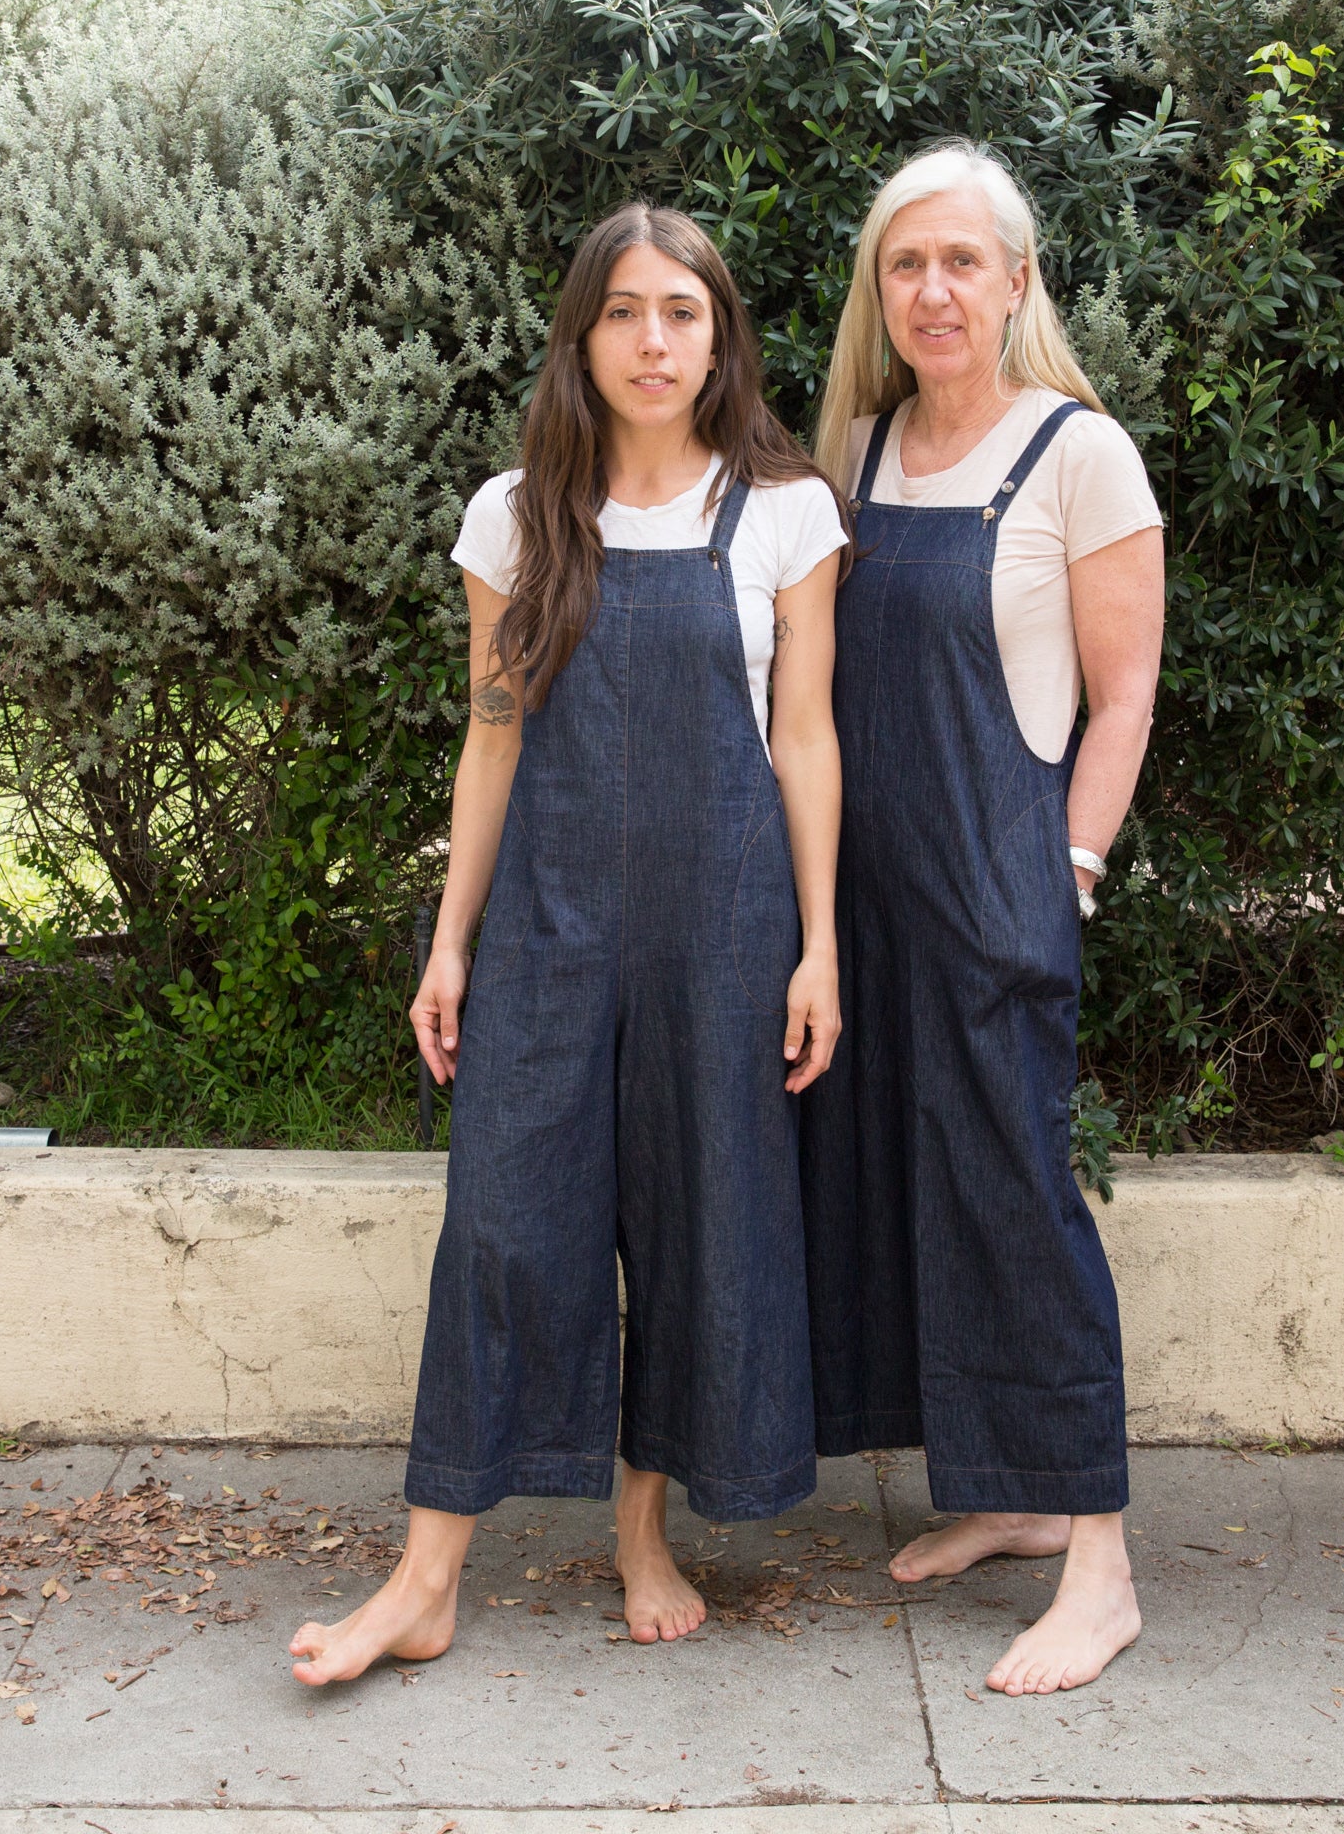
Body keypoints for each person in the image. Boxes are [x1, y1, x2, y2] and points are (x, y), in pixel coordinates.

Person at [290, 205, 850, 1686]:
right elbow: (492, 737)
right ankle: (424, 1579)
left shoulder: (786, 513)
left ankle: (642, 1533)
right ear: (580, 335)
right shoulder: (515, 514)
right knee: (501, 1225)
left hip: (726, 929)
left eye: (681, 311)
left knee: (693, 1225)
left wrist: (820, 948)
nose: (653, 340)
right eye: (622, 312)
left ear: (719, 334)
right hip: (543, 925)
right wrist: (451, 944)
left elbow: (805, 740)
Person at [798, 141, 1167, 1697]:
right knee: (897, 1186)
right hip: (864, 908)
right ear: (880, 294)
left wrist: (1067, 873)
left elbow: (1125, 690)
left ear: (1020, 281)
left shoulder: (1080, 455)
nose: (935, 290)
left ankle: (1101, 1566)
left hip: (997, 893)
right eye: (907, 265)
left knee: (1016, 1197)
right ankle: (1008, 1494)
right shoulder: (858, 456)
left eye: (964, 262)